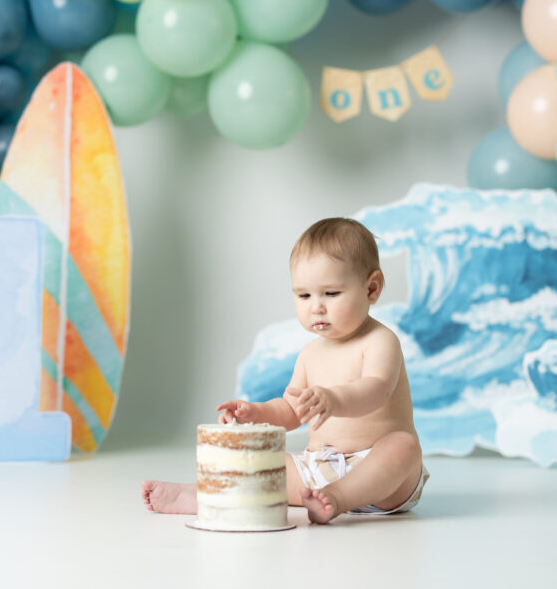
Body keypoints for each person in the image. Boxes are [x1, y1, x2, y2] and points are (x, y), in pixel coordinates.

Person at [141, 217, 428, 524]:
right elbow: (292, 410)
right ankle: (202, 495)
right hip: (318, 471)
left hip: (382, 477)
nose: (316, 306)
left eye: (331, 294)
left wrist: (334, 398)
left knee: (403, 447)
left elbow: (376, 388)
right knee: (263, 464)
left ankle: (339, 499)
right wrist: (256, 413)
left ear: (371, 289)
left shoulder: (380, 341)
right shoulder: (310, 354)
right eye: (304, 295)